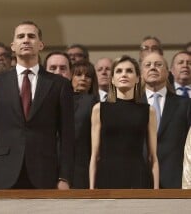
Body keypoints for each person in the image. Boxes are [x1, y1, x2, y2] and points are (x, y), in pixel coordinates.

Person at [0, 21, 74, 190]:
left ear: (41, 45)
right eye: (21, 36)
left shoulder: (59, 84)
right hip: (3, 173)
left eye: (31, 36)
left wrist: (64, 177)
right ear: (13, 46)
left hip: (45, 172)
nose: (26, 40)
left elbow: (67, 136)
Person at [90, 55, 159, 189]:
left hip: (138, 179)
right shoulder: (99, 109)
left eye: (129, 71)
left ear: (138, 78)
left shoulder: (148, 111)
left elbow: (153, 157)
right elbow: (95, 156)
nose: (124, 74)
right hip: (106, 178)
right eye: (119, 71)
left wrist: (156, 192)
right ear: (113, 80)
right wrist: (92, 190)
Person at [141, 52, 191, 188]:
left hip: (175, 180)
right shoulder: (132, 106)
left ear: (168, 71)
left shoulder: (186, 104)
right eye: (148, 65)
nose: (153, 68)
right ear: (141, 72)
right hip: (139, 180)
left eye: (158, 65)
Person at [71, 61, 98, 188]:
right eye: (78, 74)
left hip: (83, 163)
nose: (83, 78)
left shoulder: (94, 102)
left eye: (88, 76)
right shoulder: (59, 100)